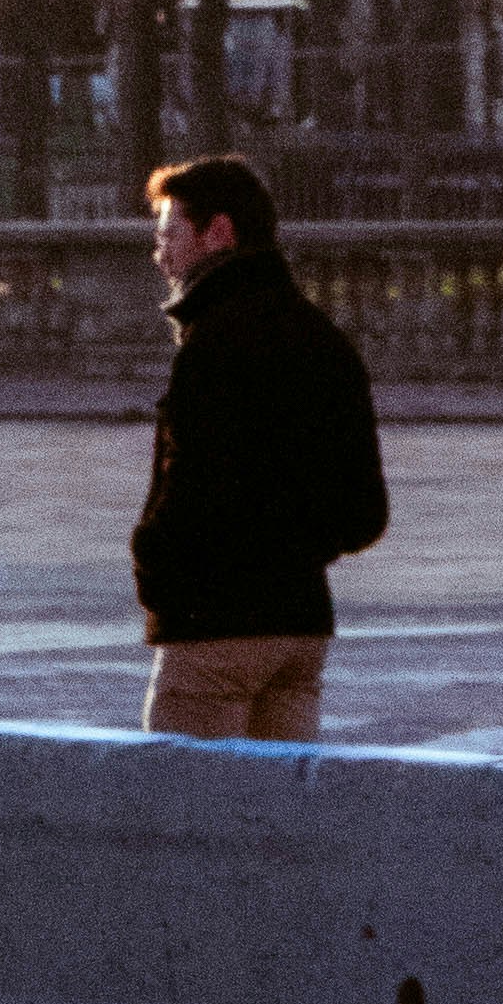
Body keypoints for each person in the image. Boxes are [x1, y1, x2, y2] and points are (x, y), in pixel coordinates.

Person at [130, 152, 388, 740]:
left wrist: (156, 565)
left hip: (213, 626)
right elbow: (364, 513)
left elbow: (188, 487)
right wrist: (294, 552)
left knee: (191, 819)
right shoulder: (325, 339)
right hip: (301, 625)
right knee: (281, 822)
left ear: (218, 233)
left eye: (169, 233)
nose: (159, 253)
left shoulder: (211, 346)